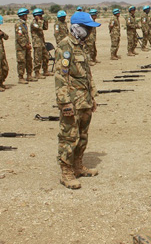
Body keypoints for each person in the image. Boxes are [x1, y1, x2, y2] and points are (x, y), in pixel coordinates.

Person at [55, 11, 100, 189]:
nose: (89, 32)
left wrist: (93, 97)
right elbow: (61, 77)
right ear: (77, 28)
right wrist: (65, 103)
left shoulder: (80, 46)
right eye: (87, 28)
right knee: (68, 137)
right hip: (72, 102)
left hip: (84, 101)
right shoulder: (65, 46)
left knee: (82, 136)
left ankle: (78, 166)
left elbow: (87, 75)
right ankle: (66, 172)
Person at [15, 8, 35, 84]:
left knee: (29, 60)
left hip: (26, 46)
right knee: (21, 62)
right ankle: (21, 77)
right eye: (25, 15)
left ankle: (29, 75)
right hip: (21, 48)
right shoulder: (18, 25)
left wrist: (28, 44)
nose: (26, 16)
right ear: (22, 16)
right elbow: (19, 37)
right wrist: (25, 45)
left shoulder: (24, 24)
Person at [31, 8, 51, 79]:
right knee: (37, 58)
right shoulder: (33, 23)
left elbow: (45, 28)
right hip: (37, 43)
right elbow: (39, 27)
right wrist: (39, 21)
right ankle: (37, 72)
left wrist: (45, 20)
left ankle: (45, 70)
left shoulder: (39, 22)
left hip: (42, 42)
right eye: (40, 15)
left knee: (45, 57)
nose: (41, 17)